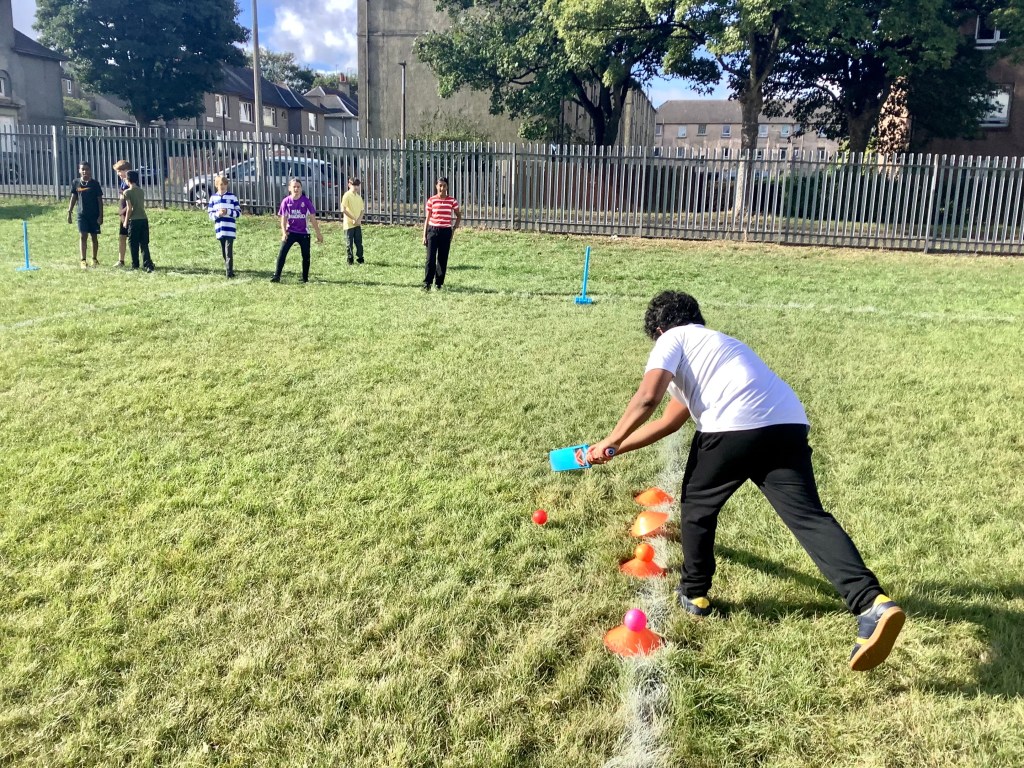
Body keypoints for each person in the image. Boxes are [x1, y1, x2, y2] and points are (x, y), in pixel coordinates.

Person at [586, 291, 905, 672]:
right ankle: (871, 603)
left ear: (658, 331)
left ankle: (695, 594)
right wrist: (614, 449)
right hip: (787, 424)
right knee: (809, 518)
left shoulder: (673, 338)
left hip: (733, 426)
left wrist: (611, 439)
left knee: (697, 508)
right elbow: (670, 421)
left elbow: (647, 398)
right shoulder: (717, 348)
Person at [272, 178, 323, 283]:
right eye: (294, 187)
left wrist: (318, 233)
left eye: (298, 187)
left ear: (301, 188)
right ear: (289, 188)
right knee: (282, 253)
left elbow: (313, 219)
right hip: (290, 232)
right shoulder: (286, 201)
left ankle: (305, 278)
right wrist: (284, 233)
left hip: (304, 233)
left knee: (306, 255)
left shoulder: (306, 201)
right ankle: (276, 276)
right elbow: (283, 219)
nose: (296, 189)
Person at [422, 176, 461, 291]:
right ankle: (427, 283)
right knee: (430, 258)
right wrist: (424, 235)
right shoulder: (431, 200)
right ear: (436, 186)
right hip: (432, 231)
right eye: (440, 185)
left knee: (442, 258)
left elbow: (458, 216)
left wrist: (453, 229)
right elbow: (427, 218)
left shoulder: (452, 201)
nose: (442, 188)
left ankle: (439, 283)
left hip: (445, 231)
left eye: (444, 186)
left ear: (447, 187)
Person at [67, 162, 103, 269]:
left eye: (86, 169)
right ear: (79, 170)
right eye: (82, 169)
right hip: (82, 215)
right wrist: (69, 212)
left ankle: (94, 259)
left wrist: (101, 216)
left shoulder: (95, 184)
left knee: (94, 237)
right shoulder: (76, 182)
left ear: (90, 170)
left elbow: (99, 200)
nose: (84, 171)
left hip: (94, 215)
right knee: (83, 236)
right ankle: (83, 260)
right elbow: (74, 197)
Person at [207, 175, 241, 278]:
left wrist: (228, 211)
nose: (222, 186)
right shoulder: (213, 198)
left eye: (224, 184)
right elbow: (210, 215)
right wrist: (218, 214)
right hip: (220, 229)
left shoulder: (232, 197)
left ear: (227, 185)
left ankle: (229, 273)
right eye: (220, 184)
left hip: (230, 228)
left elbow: (238, 213)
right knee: (224, 251)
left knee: (228, 250)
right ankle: (229, 269)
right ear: (216, 185)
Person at [122, 170, 155, 272]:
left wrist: (125, 221)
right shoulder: (141, 191)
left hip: (134, 220)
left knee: (133, 243)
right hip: (143, 219)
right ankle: (148, 264)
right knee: (144, 243)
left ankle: (135, 264)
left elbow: (129, 208)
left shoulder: (127, 192)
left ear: (128, 180)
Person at [341, 177, 365, 265]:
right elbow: (343, 209)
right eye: (354, 185)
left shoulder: (359, 197)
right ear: (349, 185)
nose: (356, 187)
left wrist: (358, 220)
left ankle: (360, 258)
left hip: (357, 224)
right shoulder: (346, 195)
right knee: (349, 243)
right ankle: (350, 260)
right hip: (348, 225)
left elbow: (362, 210)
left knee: (359, 242)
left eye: (357, 185)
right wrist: (353, 219)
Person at [113, 160, 131, 267]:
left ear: (126, 170)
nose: (118, 174)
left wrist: (123, 212)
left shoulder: (131, 183)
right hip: (123, 214)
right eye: (117, 171)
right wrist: (121, 213)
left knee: (134, 239)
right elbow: (121, 199)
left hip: (131, 214)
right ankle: (121, 261)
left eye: (120, 171)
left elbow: (132, 202)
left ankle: (141, 260)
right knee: (122, 236)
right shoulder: (123, 182)